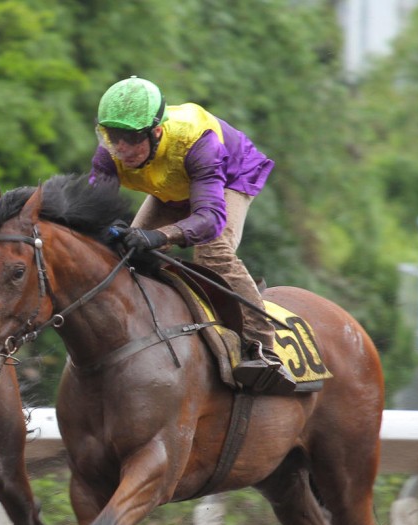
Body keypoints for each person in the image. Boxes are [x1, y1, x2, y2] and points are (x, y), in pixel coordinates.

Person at [90, 76, 292, 393]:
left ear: (156, 131)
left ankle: (263, 349)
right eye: (113, 137)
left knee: (212, 254)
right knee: (127, 255)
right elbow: (93, 211)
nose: (122, 149)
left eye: (130, 138)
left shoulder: (199, 145)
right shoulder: (110, 154)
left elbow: (210, 218)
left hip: (228, 177)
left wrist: (161, 236)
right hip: (171, 186)